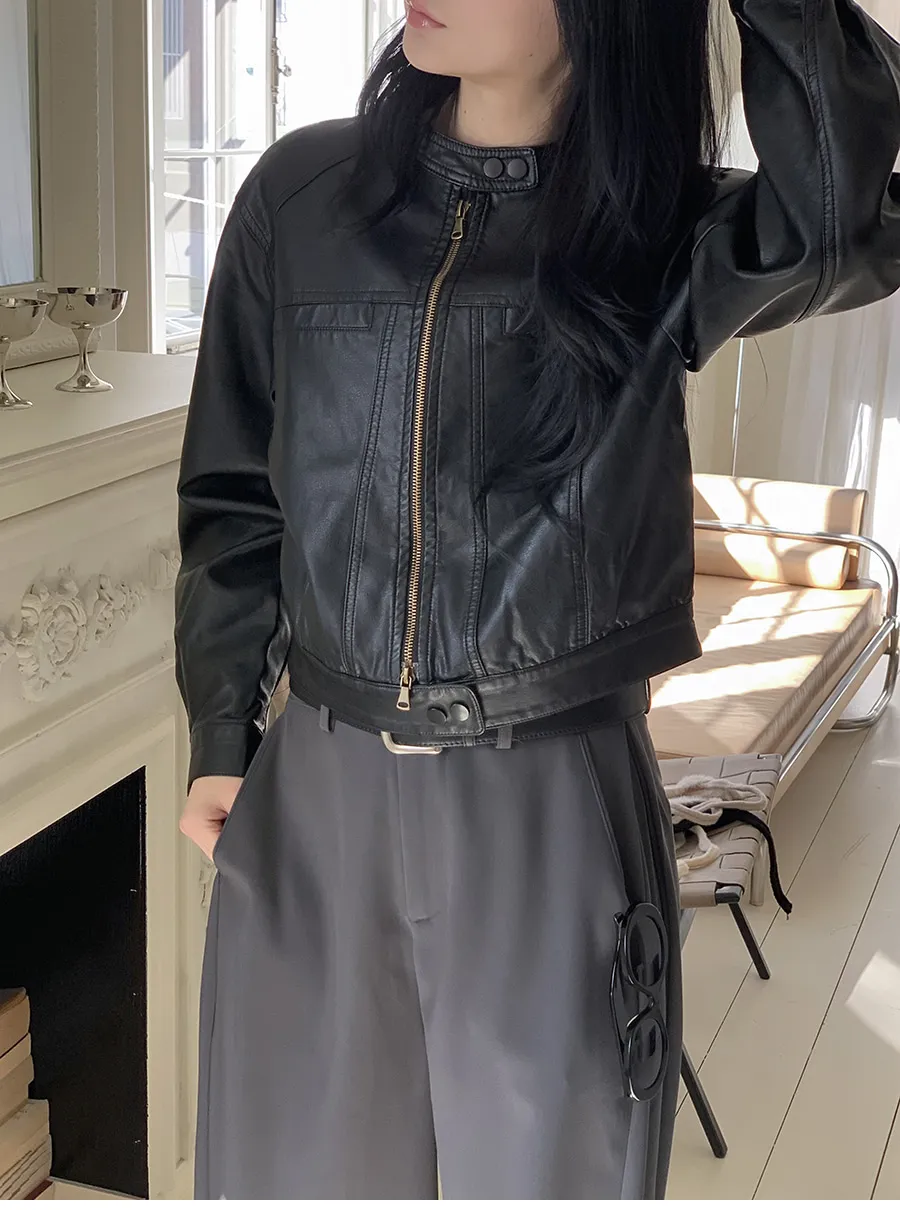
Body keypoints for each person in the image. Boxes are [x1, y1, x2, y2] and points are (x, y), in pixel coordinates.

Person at [175, 0, 900, 1198]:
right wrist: (221, 730)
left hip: (547, 793)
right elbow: (236, 491)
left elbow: (842, 220)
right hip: (316, 779)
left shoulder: (665, 232)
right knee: (287, 1172)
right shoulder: (302, 197)